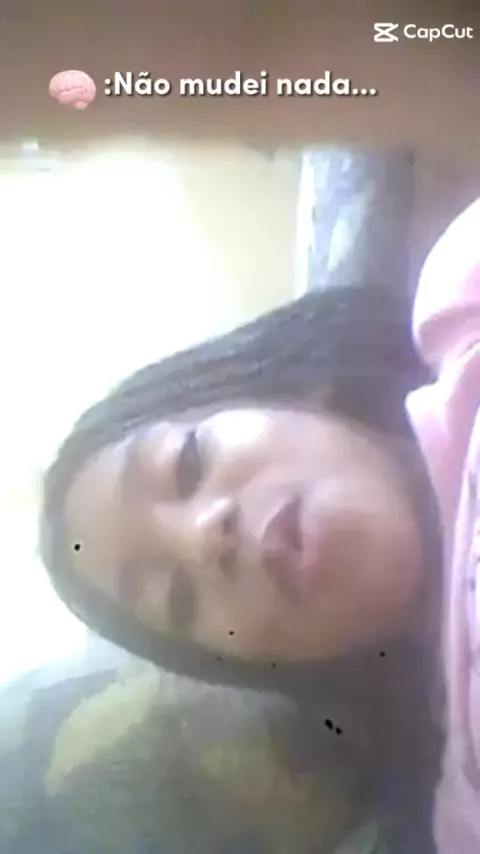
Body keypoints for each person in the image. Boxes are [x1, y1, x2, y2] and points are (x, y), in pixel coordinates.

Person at [39, 282, 444, 853]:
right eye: (180, 599)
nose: (204, 540)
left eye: (188, 464)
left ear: (289, 391)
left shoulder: (460, 318)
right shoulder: (449, 804)